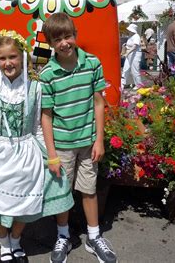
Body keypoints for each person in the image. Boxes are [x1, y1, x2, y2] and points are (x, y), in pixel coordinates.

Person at [0, 30, 74, 263]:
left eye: (12, 57)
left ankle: (15, 239)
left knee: (26, 199)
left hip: (26, 150)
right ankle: (4, 245)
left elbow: (36, 127)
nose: (7, 63)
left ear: (22, 57)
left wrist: (49, 156)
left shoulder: (35, 88)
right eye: (2, 58)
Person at [40, 13, 117, 263]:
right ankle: (63, 235)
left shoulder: (92, 63)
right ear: (50, 43)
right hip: (62, 145)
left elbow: (98, 103)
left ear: (76, 35)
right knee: (62, 193)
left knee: (89, 189)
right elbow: (46, 117)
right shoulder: (48, 74)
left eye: (68, 36)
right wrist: (51, 154)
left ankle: (94, 237)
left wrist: (99, 140)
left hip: (88, 142)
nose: (64, 43)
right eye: (57, 39)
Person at [121, 23, 142, 89]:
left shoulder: (136, 36)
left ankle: (138, 85)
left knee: (135, 70)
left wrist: (127, 53)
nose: (128, 31)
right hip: (129, 54)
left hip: (135, 54)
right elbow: (129, 45)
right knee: (125, 69)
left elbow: (135, 46)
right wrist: (125, 46)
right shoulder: (131, 36)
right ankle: (123, 83)